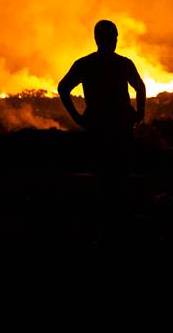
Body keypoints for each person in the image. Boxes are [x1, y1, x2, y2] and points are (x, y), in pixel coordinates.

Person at [58, 20, 146, 237]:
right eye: (111, 36)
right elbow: (140, 87)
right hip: (118, 124)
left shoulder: (85, 64)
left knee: (103, 172)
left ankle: (104, 220)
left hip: (98, 123)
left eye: (114, 36)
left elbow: (63, 88)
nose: (113, 40)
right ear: (102, 38)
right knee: (119, 172)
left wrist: (77, 117)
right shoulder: (123, 63)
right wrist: (139, 112)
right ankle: (118, 221)